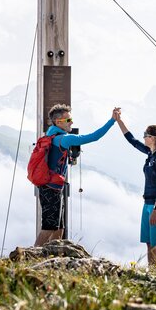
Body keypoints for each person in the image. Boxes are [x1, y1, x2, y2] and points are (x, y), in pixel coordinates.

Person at [35, 103, 119, 247]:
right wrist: (112, 121)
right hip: (52, 189)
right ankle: (31, 257)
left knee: (59, 227)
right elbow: (94, 137)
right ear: (58, 122)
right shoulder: (65, 139)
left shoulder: (51, 134)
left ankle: (56, 257)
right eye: (68, 120)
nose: (71, 122)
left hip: (50, 187)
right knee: (49, 227)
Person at [114, 110, 156, 270]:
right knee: (150, 242)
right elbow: (132, 141)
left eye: (145, 135)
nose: (143, 137)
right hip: (148, 203)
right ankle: (153, 272)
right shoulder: (151, 154)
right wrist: (118, 121)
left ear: (153, 138)